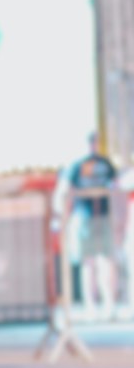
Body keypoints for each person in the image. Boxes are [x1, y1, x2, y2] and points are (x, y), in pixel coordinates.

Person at [68, 132, 119, 314]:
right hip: (84, 218)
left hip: (103, 217)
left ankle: (109, 304)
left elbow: (116, 185)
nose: (92, 146)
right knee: (88, 263)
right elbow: (67, 190)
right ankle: (91, 306)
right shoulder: (76, 166)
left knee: (106, 261)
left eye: (95, 142)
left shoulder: (105, 164)